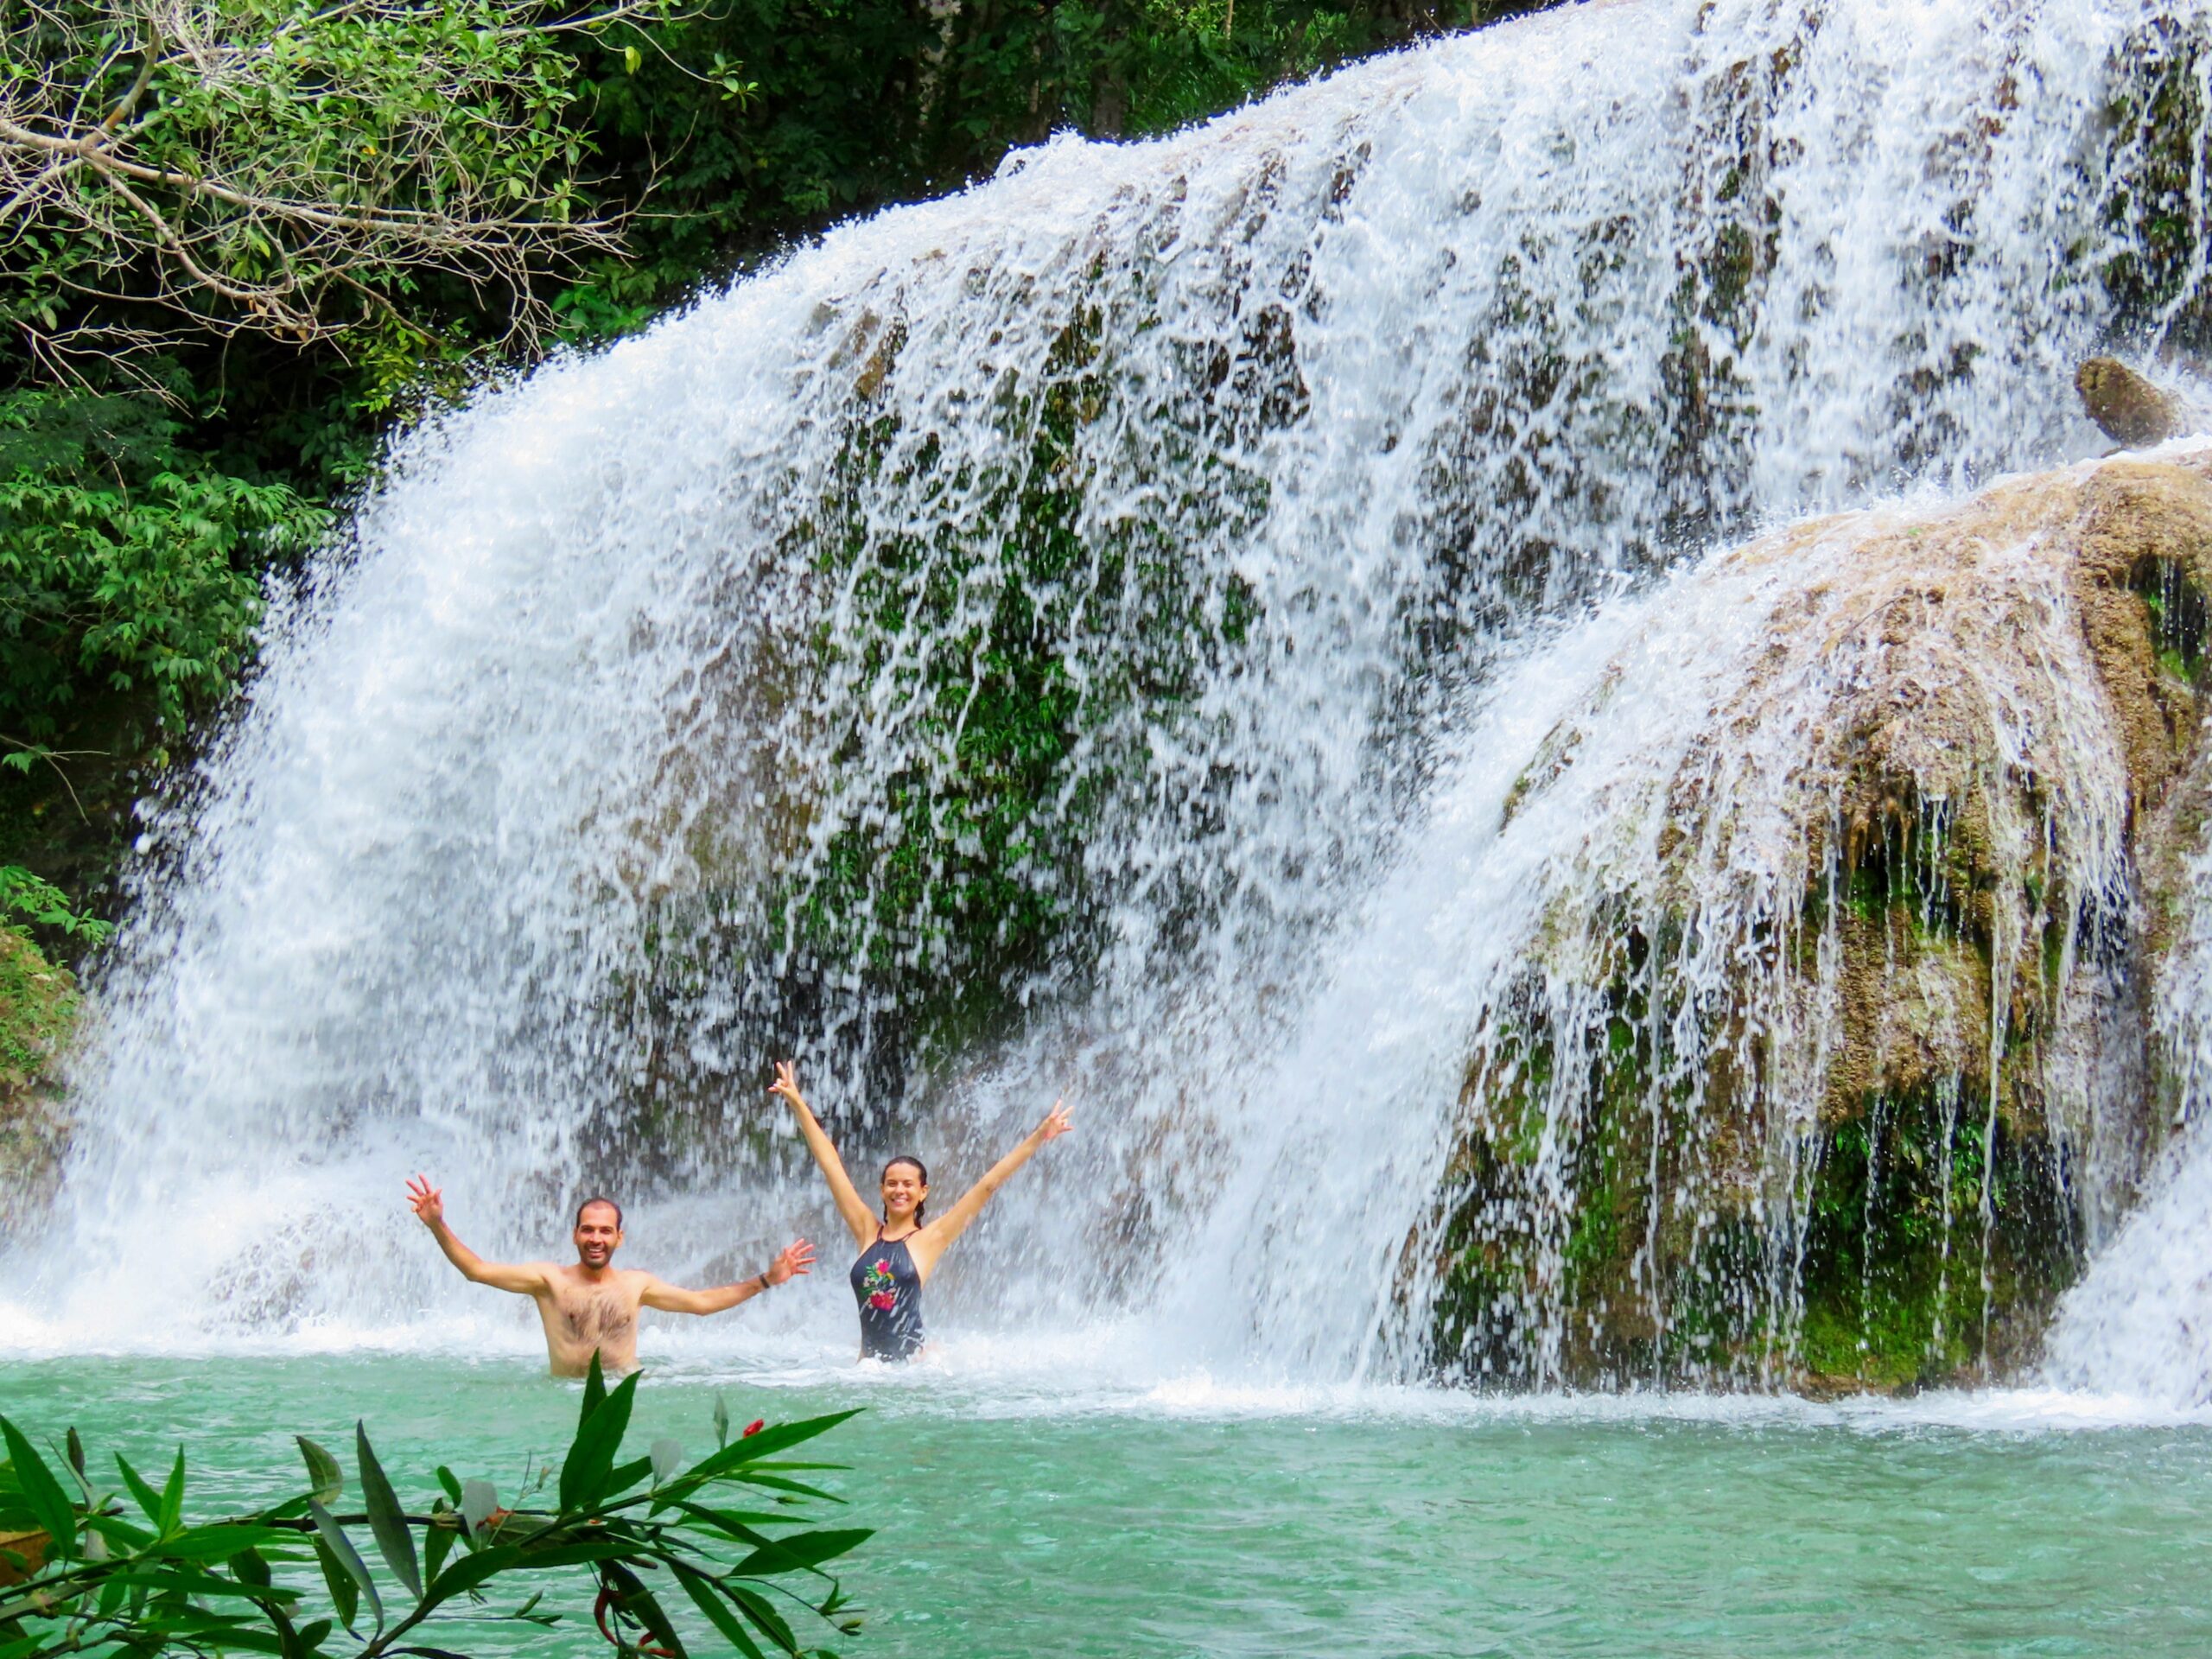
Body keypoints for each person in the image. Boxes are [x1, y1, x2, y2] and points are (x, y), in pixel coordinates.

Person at [767, 1059, 1073, 1361]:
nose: (899, 1190)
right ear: (882, 1190)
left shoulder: (932, 1238)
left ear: (922, 1192)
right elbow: (830, 1164)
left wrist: (1038, 1137)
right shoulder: (866, 1231)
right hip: (867, 1373)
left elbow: (987, 1185)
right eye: (892, 1184)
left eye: (908, 1184)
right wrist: (797, 1103)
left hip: (910, 1373)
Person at [404, 1176, 814, 1377]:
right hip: (567, 1397)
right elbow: (476, 1271)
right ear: (574, 1235)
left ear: (619, 1237)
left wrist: (766, 1280)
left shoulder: (636, 1285)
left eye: (604, 1231)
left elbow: (701, 1304)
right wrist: (437, 1224)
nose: (595, 1239)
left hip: (624, 1393)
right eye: (587, 1229)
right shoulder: (548, 1282)